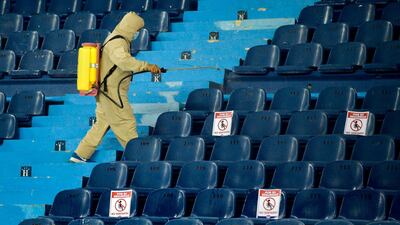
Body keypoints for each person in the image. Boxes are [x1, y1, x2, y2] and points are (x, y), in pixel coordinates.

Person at [70, 12, 161, 163]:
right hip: (112, 93)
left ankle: (80, 154)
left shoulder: (115, 38)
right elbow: (124, 62)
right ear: (131, 28)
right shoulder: (117, 43)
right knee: (126, 122)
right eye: (137, 30)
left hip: (106, 91)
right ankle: (138, 159)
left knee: (102, 124)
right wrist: (147, 66)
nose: (137, 34)